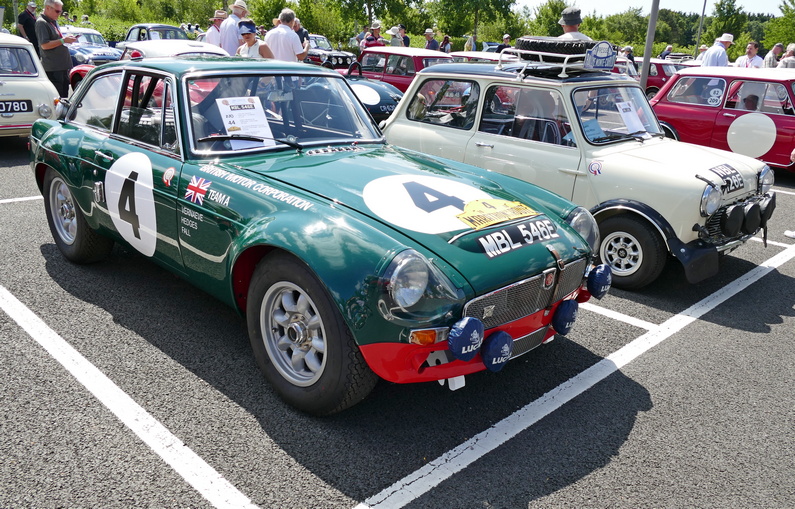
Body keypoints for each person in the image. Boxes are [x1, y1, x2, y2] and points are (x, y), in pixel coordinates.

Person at [35, 0, 76, 97]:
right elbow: (44, 45)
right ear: (48, 8)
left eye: (61, 11)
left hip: (61, 67)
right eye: (57, 11)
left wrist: (66, 39)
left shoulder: (52, 21)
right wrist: (63, 40)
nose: (59, 14)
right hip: (53, 69)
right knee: (59, 99)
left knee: (64, 97)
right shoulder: (42, 22)